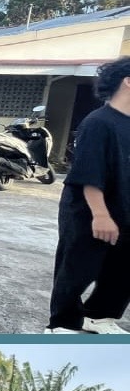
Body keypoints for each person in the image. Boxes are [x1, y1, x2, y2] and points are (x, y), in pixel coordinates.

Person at [46, 57, 130, 334]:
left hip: (124, 209)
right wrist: (101, 215)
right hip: (89, 211)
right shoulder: (99, 122)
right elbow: (88, 172)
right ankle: (62, 323)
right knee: (78, 265)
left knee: (122, 268)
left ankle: (100, 316)